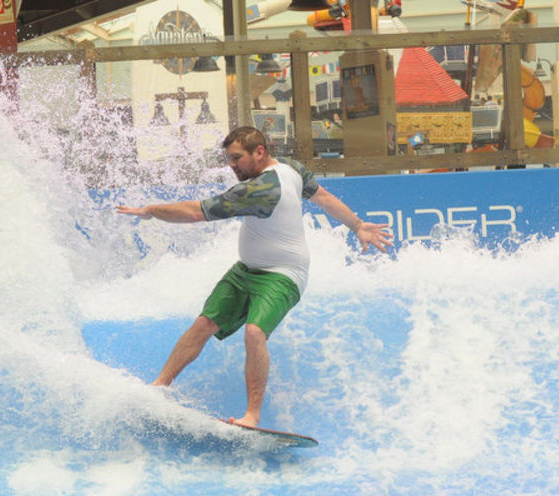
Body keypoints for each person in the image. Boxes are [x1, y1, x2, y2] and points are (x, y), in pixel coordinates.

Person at [116, 126, 392, 428]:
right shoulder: (289, 167)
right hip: (246, 270)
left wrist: (151, 210)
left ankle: (252, 416)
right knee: (204, 323)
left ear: (259, 152)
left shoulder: (262, 189)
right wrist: (357, 225)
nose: (232, 166)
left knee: (254, 332)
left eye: (237, 158)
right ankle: (159, 387)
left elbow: (195, 212)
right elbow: (323, 197)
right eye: (229, 159)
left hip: (283, 275)